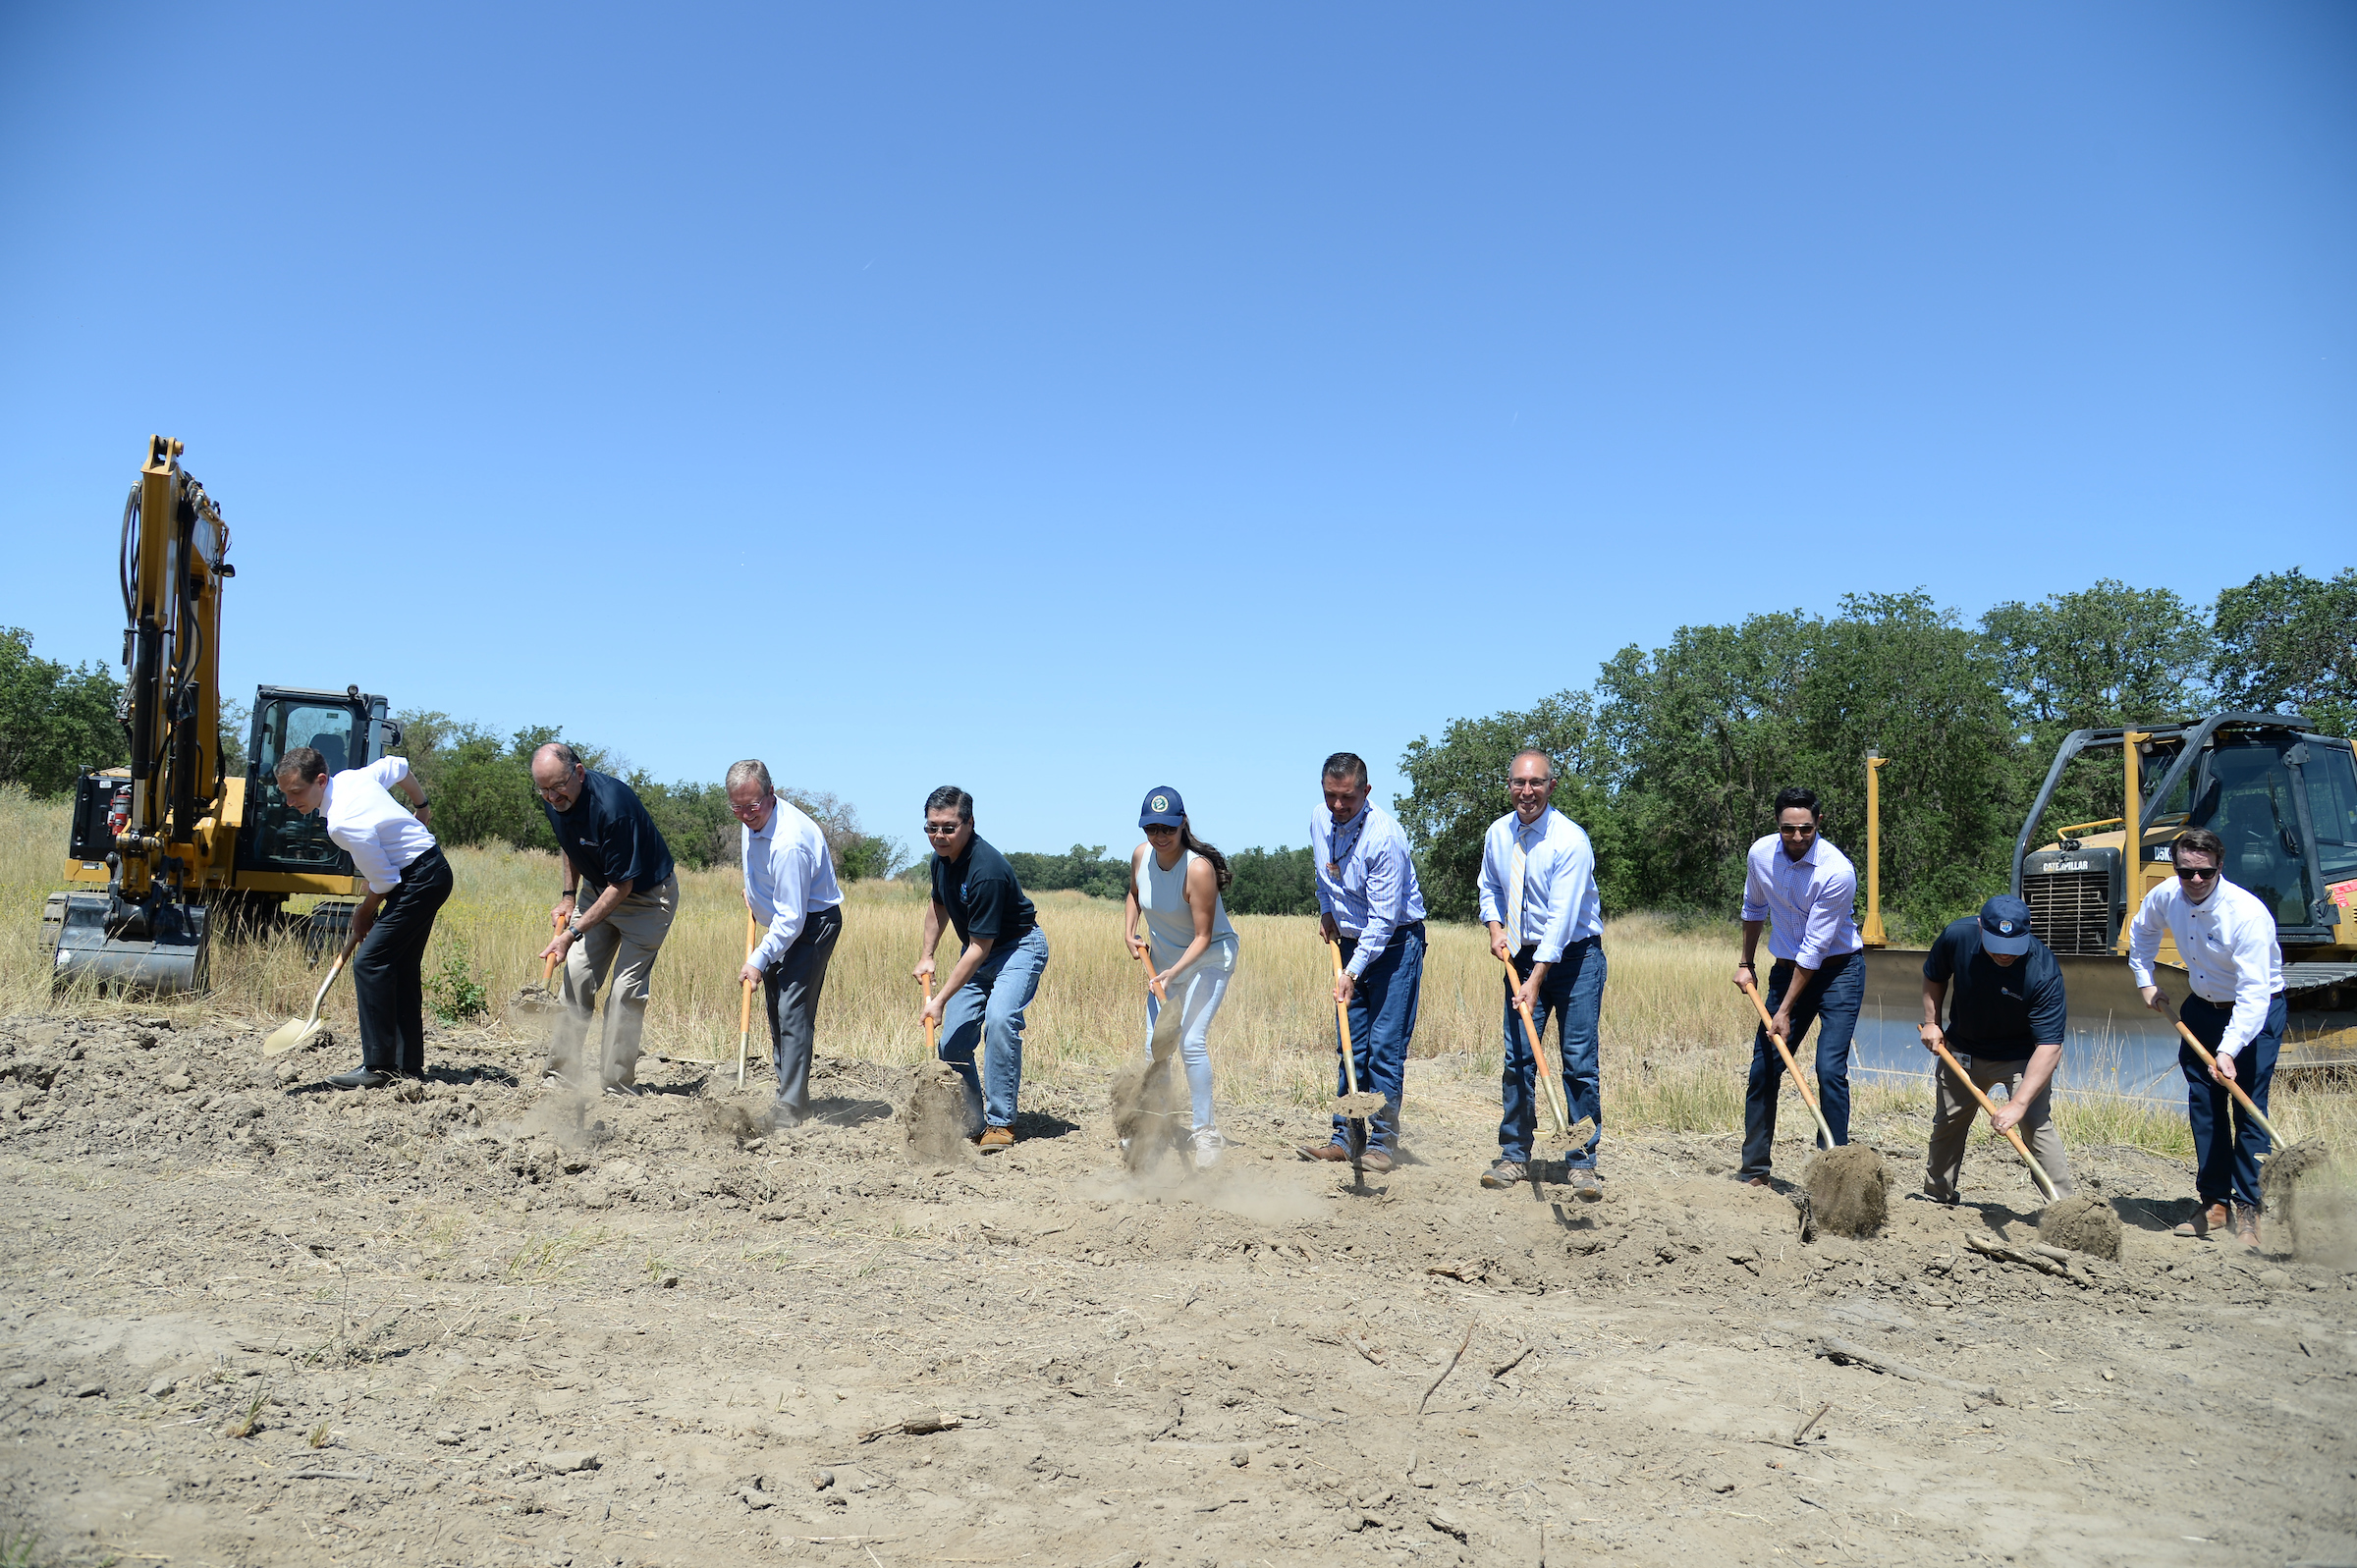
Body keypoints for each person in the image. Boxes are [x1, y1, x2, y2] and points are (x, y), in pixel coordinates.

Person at [2130, 825, 2287, 1247]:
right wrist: (2145, 979)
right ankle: (2214, 1204)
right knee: (2205, 1105)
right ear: (2176, 868)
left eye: (2204, 873)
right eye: (2186, 872)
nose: (2195, 881)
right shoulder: (2166, 894)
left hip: (2255, 1013)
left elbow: (2255, 994)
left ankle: (2248, 1211)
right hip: (2201, 1008)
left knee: (2248, 1106)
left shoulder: (2248, 915)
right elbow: (2141, 932)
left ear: (2220, 867)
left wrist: (2229, 1049)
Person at [274, 745, 451, 1090]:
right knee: (397, 966)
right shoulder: (353, 778)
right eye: (285, 793)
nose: (290, 802)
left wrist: (363, 912)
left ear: (320, 780)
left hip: (417, 879)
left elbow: (385, 881)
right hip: (432, 872)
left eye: (296, 792)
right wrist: (422, 806)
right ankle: (407, 1066)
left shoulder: (342, 822)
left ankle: (379, 1065)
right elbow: (398, 767)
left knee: (370, 963)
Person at [1477, 749, 1607, 1196]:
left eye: (1535, 783)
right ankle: (1514, 1155)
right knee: (1518, 1060)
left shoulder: (1570, 840)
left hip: (1574, 960)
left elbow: (1561, 919)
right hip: (1518, 957)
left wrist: (1536, 979)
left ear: (1551, 786)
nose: (1526, 792)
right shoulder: (1498, 834)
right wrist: (1496, 930)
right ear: (1509, 785)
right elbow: (1490, 887)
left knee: (1578, 1063)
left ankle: (1582, 1162)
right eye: (1518, 783)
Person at [1299, 752, 1427, 1173]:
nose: (1338, 806)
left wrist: (1352, 972)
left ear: (1366, 792)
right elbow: (1323, 873)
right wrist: (1326, 910)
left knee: (1384, 1050)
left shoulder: (1384, 837)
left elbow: (1385, 919)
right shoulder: (1319, 819)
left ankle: (1383, 1144)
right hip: (1350, 940)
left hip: (1394, 945)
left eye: (1347, 798)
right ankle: (1345, 1138)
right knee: (1350, 1046)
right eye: (1331, 796)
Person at [1732, 785, 1865, 1186]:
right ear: (1777, 824)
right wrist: (1746, 962)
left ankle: (1833, 1173)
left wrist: (1785, 1011)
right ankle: (1755, 1170)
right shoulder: (1760, 855)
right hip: (1787, 968)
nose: (1796, 838)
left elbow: (1814, 950)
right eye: (1788, 829)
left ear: (1818, 823)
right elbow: (1753, 908)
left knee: (1829, 1069)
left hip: (1839, 970)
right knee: (1765, 1067)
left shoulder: (1836, 872)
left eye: (1805, 829)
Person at [533, 742, 679, 1097]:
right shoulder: (555, 799)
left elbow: (622, 885)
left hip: (645, 898)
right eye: (544, 789)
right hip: (597, 889)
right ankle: (561, 1076)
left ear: (579, 773)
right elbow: (568, 843)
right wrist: (569, 897)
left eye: (558, 786)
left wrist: (571, 933)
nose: (552, 797)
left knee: (623, 992)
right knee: (578, 977)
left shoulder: (613, 807)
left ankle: (616, 1085)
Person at [915, 786, 1051, 1151]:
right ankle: (972, 1121)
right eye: (931, 828)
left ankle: (1000, 1123)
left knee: (1000, 1020)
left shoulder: (986, 869)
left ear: (970, 823)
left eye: (948, 828)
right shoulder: (940, 860)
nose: (939, 836)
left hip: (1018, 948)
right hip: (977, 950)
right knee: (953, 1043)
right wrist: (928, 954)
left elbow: (979, 948)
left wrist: (940, 999)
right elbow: (938, 905)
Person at [1918, 894, 2075, 1204]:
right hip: (1962, 1049)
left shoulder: (2043, 970)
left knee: (2034, 1123)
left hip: (2021, 1057)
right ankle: (1937, 1196)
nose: (2005, 954)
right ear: (1980, 927)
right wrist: (1932, 1022)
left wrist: (2018, 1104)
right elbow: (1934, 975)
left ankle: (2064, 1208)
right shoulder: (1957, 936)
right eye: (1996, 946)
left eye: (2013, 947)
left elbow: (2050, 1047)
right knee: (1948, 1122)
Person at [1123, 785, 1241, 1169]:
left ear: (1182, 824)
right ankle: (1153, 1126)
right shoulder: (1142, 856)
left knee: (1190, 1042)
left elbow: (1204, 936)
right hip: (1165, 964)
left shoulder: (1198, 869)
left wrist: (1175, 971)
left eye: (1167, 828)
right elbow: (1134, 894)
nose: (1159, 836)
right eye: (1151, 827)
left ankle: (1205, 1133)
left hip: (1207, 959)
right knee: (1153, 1047)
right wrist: (1129, 931)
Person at [728, 760, 845, 1132]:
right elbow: (759, 866)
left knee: (793, 1009)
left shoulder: (790, 842)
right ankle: (790, 1095)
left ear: (770, 793)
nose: (746, 815)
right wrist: (756, 893)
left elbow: (793, 918)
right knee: (777, 1010)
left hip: (811, 925)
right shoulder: (753, 819)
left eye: (752, 807)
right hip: (782, 922)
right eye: (737, 808)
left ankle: (790, 1108)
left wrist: (758, 959)